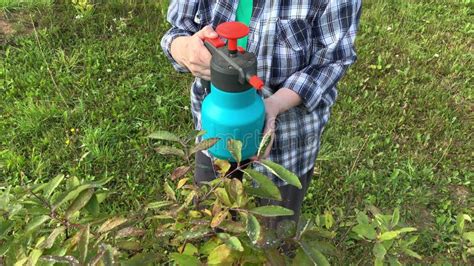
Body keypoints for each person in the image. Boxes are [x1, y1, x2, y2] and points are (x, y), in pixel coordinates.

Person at [161, 0, 362, 227]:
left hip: (285, 146)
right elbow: (177, 31)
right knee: (212, 219)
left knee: (272, 234)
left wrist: (275, 104)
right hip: (213, 135)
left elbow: (331, 61)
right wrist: (184, 49)